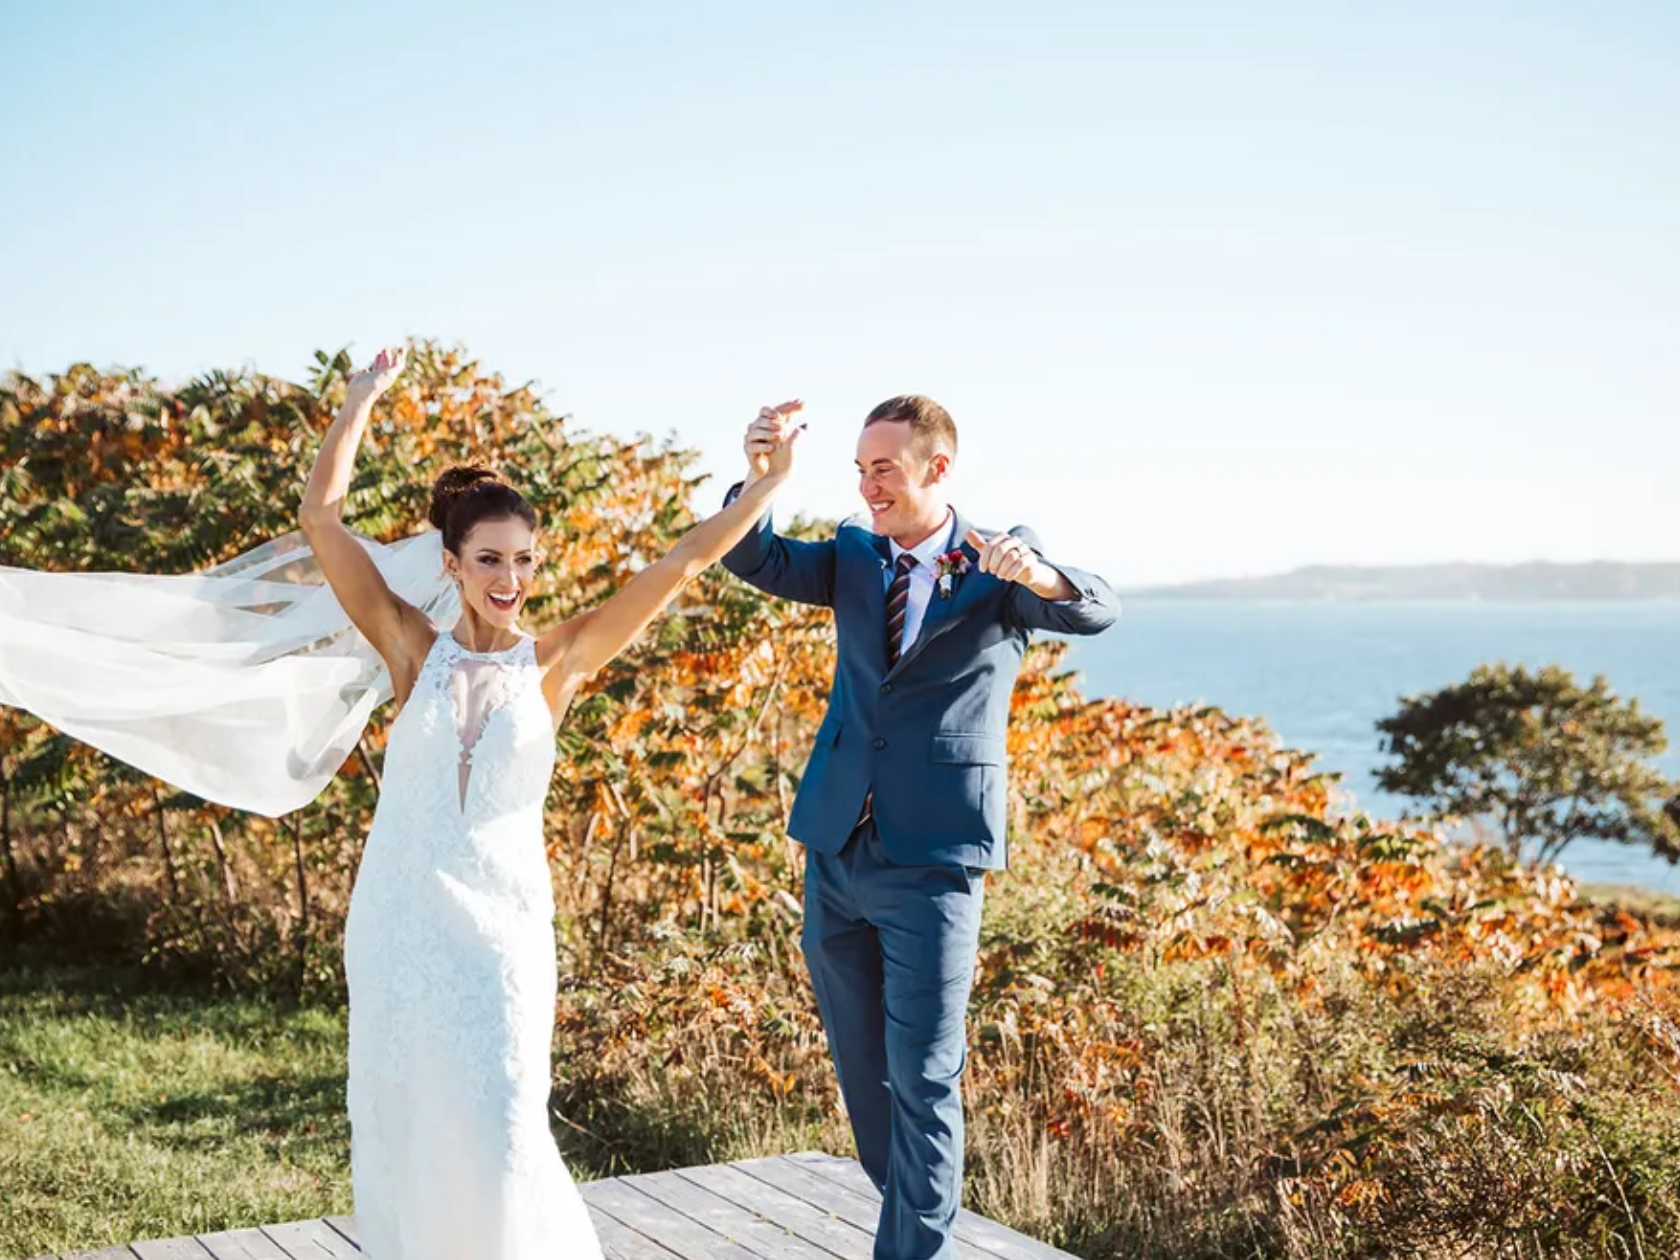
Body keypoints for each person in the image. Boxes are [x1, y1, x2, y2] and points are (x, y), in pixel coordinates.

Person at [721, 395, 1119, 1260]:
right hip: (835, 848)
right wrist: (759, 480)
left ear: (937, 469)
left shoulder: (1000, 567)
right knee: (867, 1083)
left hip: (934, 863)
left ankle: (911, 1250)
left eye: (884, 470)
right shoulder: (855, 555)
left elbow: (1095, 607)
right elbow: (753, 557)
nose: (867, 487)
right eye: (860, 469)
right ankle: (916, 1217)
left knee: (926, 1082)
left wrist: (1037, 574)